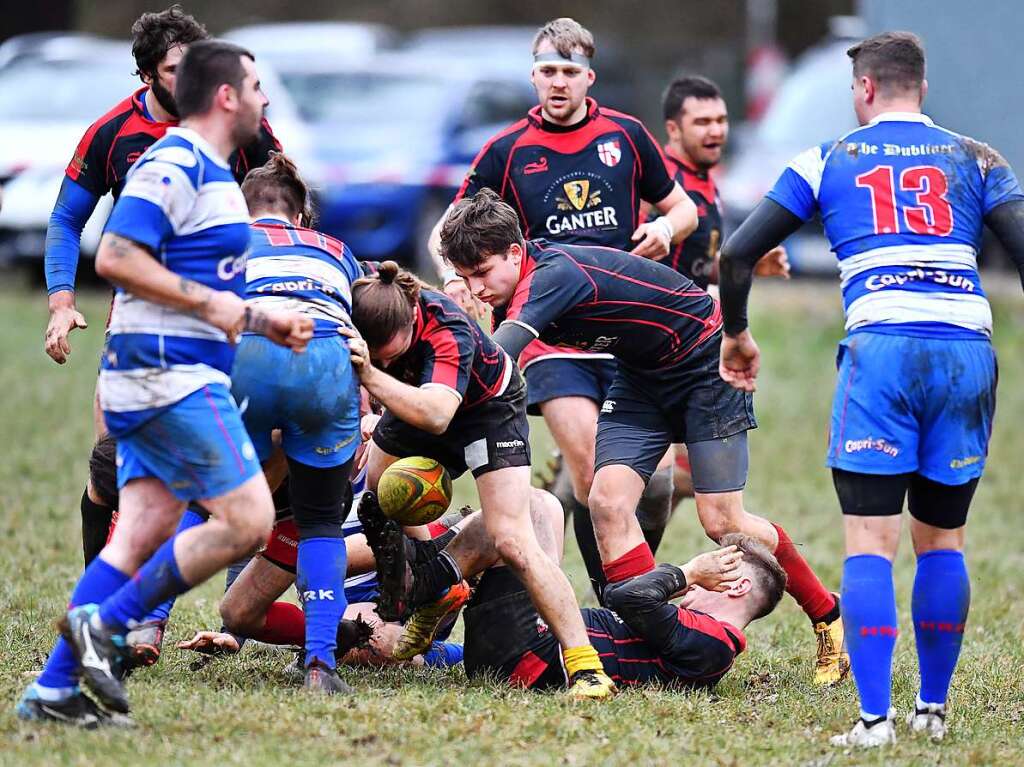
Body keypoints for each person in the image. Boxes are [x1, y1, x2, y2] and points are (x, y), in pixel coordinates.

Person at [717, 31, 1024, 747]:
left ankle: (875, 720)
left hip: (882, 347)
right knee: (943, 537)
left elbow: (737, 251)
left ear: (863, 90)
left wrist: (736, 330)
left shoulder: (826, 158)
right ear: (923, 87)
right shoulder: (979, 157)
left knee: (869, 542)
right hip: (966, 350)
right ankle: (933, 709)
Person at [427, 189, 845, 685]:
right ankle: (644, 625)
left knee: (722, 519)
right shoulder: (511, 289)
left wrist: (425, 401)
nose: (474, 288)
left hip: (705, 362)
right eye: (464, 277)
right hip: (642, 376)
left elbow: (494, 361)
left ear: (515, 253)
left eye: (480, 274)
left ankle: (827, 617)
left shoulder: (551, 277)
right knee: (606, 501)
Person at [17, 40, 311, 726]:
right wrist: (225, 310)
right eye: (259, 87)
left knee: (137, 537)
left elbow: (205, 279)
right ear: (227, 97)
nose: (267, 101)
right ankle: (107, 627)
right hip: (164, 373)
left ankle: (52, 692)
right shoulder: (174, 161)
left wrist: (261, 317)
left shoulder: (213, 170)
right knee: (247, 518)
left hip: (177, 367)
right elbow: (116, 254)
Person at [427, 18, 698, 590]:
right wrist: (454, 276)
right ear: (532, 76)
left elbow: (684, 208)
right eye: (548, 71)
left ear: (589, 77)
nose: (558, 82)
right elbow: (444, 232)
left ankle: (628, 576)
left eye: (569, 72)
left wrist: (666, 230)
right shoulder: (506, 150)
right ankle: (616, 602)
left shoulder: (625, 136)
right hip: (545, 334)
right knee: (593, 469)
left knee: (655, 486)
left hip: (626, 333)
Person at [42, 6, 282, 576]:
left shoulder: (239, 127)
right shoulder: (116, 135)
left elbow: (284, 203)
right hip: (142, 324)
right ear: (147, 75)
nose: (191, 80)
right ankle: (114, 610)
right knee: (119, 472)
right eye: (175, 70)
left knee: (237, 481)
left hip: (228, 323)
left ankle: (146, 611)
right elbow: (67, 222)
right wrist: (61, 302)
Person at [340, 262, 617, 699]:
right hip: (417, 400)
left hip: (484, 411)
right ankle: (426, 570)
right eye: (378, 358)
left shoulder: (447, 331)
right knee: (380, 493)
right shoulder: (369, 292)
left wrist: (372, 375)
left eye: (392, 356)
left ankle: (585, 666)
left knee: (512, 539)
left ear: (413, 316)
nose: (386, 363)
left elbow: (436, 414)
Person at [444, 491, 785, 692]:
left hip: (526, 657)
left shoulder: (712, 642)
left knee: (532, 507)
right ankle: (433, 565)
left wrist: (688, 572)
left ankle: (429, 573)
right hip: (525, 646)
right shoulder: (702, 637)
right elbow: (624, 594)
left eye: (720, 568)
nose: (701, 579)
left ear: (738, 586)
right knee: (544, 508)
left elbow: (623, 596)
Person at [657, 75, 792, 514]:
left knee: (677, 480)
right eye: (702, 122)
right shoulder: (658, 186)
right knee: (661, 482)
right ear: (673, 129)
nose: (716, 130)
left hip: (689, 341)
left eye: (721, 119)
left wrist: (748, 265)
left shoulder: (705, 179)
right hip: (653, 346)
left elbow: (693, 264)